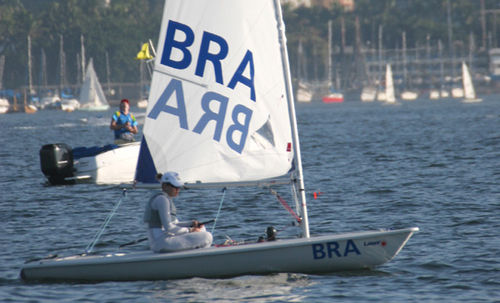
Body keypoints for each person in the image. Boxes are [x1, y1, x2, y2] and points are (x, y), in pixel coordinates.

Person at [143, 172, 213, 253]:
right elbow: (169, 228)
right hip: (161, 242)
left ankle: (194, 254)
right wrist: (190, 230)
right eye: (175, 187)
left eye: (178, 187)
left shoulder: (165, 198)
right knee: (207, 236)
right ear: (164, 186)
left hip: (163, 239)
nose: (177, 190)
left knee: (202, 229)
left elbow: (174, 224)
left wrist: (191, 223)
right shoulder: (162, 199)